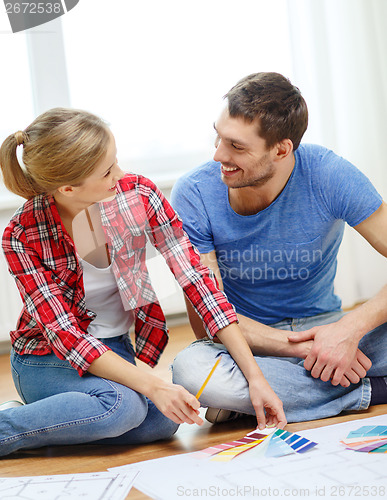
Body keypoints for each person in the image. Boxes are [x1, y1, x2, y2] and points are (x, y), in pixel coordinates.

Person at [0, 107, 286, 457]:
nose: (120, 175)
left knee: (165, 421)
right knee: (123, 408)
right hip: (46, 359)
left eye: (116, 161)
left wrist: (254, 377)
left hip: (114, 348)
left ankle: (47, 424)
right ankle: (10, 427)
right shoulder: (21, 233)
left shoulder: (139, 195)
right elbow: (66, 335)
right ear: (68, 187)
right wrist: (154, 387)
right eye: (107, 171)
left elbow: (198, 282)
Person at [171, 72, 387, 424]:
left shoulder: (329, 174)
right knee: (192, 372)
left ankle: (258, 399)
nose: (218, 155)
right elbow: (205, 316)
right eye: (219, 137)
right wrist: (306, 348)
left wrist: (348, 331)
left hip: (329, 326)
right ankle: (373, 389)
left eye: (236, 146)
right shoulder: (194, 193)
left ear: (282, 149)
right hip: (244, 342)